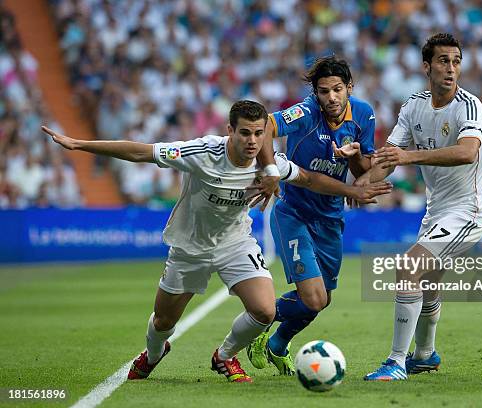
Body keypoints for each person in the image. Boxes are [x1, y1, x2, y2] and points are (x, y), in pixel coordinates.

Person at [41, 100, 391, 383]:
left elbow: (311, 179)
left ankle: (224, 356)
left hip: (235, 243)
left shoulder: (269, 165)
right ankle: (153, 354)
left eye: (258, 133)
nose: (253, 141)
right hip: (190, 246)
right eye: (245, 133)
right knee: (164, 321)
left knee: (265, 310)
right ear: (229, 131)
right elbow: (141, 152)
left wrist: (351, 190)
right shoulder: (201, 153)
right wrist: (80, 144)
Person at [357, 33, 482, 381]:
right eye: (444, 61)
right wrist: (361, 182)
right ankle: (425, 355)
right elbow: (388, 158)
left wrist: (409, 156)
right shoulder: (413, 106)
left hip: (468, 211)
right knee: (427, 283)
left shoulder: (469, 106)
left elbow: (467, 152)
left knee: (408, 267)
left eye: (456, 61)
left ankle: (396, 361)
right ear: (426, 66)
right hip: (436, 211)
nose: (451, 68)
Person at [247, 56, 376, 375]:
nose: (330, 98)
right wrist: (270, 170)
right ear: (315, 93)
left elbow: (365, 169)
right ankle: (257, 320)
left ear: (349, 88)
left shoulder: (364, 114)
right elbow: (264, 127)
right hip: (294, 213)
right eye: (323, 91)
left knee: (322, 299)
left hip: (330, 217)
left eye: (336, 90)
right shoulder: (305, 112)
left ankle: (276, 344)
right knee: (314, 298)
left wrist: (357, 156)